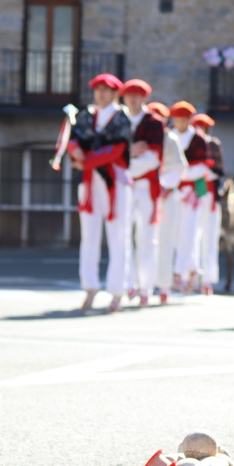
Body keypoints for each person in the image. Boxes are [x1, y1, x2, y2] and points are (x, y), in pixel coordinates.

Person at [70, 73, 131, 313]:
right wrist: (74, 150)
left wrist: (85, 161)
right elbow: (73, 139)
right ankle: (90, 286)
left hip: (114, 181)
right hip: (89, 181)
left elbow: (117, 149)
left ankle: (117, 290)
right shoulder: (85, 115)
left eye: (106, 90)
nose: (101, 94)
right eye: (98, 90)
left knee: (117, 235)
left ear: (115, 93)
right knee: (89, 235)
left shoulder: (122, 117)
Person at [121, 79, 165, 308]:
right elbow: (113, 152)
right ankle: (127, 283)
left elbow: (154, 158)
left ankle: (146, 287)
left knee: (147, 237)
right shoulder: (119, 120)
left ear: (145, 98)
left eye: (137, 95)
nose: (133, 99)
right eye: (129, 95)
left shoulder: (154, 123)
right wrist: (131, 154)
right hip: (123, 186)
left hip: (146, 186)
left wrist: (126, 166)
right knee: (123, 235)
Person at [168, 101, 209, 293]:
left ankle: (180, 272)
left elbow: (201, 166)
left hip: (190, 192)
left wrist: (180, 175)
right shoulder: (169, 136)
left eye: (184, 119)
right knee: (175, 232)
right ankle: (192, 270)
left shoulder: (198, 139)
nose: (180, 122)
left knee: (189, 231)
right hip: (171, 189)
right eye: (177, 119)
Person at [151, 102, 188, 305]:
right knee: (143, 239)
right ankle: (143, 284)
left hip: (165, 196)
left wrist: (164, 185)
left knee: (166, 240)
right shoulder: (144, 138)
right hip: (146, 194)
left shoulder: (170, 139)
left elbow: (180, 167)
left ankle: (164, 285)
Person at [191, 113, 222, 296]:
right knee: (192, 235)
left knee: (209, 236)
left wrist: (203, 172)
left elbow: (219, 169)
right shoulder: (191, 144)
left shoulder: (213, 144)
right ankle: (193, 275)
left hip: (209, 194)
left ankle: (208, 279)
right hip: (193, 194)